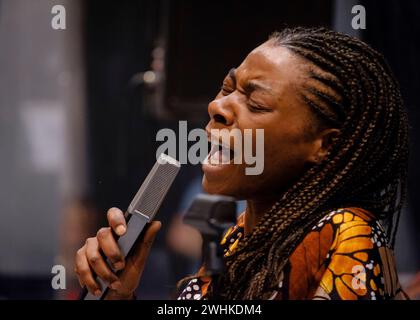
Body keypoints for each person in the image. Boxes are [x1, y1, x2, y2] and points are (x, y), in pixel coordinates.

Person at [74, 27, 409, 300]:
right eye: (227, 88)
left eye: (257, 102)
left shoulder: (346, 234)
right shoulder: (239, 242)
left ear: (325, 145)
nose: (217, 106)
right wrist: (120, 294)